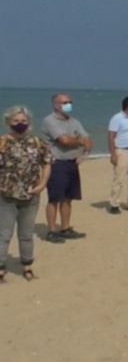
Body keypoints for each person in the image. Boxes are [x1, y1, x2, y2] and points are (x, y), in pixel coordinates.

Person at [0, 107, 52, 282]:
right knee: (4, 235)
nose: (20, 124)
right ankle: (0, 269)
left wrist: (42, 184)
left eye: (23, 121)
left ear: (29, 122)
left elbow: (47, 163)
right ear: (8, 123)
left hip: (31, 197)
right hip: (6, 197)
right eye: (16, 121)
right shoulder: (2, 142)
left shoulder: (37, 143)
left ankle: (27, 267)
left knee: (26, 235)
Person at [41, 93, 92, 243]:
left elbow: (88, 140)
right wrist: (80, 141)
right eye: (64, 102)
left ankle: (65, 227)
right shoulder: (49, 121)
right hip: (56, 163)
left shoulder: (74, 122)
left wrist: (84, 153)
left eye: (70, 102)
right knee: (54, 198)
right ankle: (51, 230)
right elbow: (63, 141)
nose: (68, 104)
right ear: (55, 105)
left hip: (71, 163)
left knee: (68, 198)